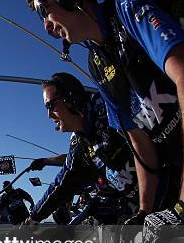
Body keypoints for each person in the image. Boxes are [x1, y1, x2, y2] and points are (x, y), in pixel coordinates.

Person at [25, 0, 184, 228]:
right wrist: (144, 212)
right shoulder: (96, 64)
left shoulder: (126, 8)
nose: (46, 26)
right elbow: (138, 139)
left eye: (44, 11)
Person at [25, 72, 137, 224]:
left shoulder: (108, 108)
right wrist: (33, 218)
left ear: (71, 99)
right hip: (137, 208)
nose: (49, 115)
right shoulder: (79, 145)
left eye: (50, 106)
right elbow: (62, 185)